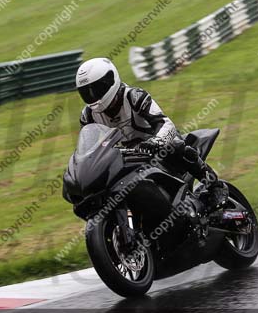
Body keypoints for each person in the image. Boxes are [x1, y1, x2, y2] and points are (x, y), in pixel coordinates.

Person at [76, 57, 228, 210]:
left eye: (97, 89)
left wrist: (157, 142)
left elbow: (166, 124)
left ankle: (215, 186)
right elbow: (88, 148)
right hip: (124, 159)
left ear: (110, 81)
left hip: (157, 149)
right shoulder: (88, 115)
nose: (93, 96)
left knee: (176, 145)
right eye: (87, 92)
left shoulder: (134, 97)